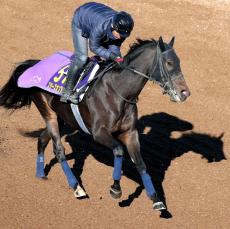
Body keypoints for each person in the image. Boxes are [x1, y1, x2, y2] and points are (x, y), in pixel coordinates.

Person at [60, 2, 134, 104]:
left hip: (94, 14)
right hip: (81, 20)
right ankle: (66, 91)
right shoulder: (100, 27)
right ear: (113, 26)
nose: (121, 37)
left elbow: (115, 46)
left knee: (114, 60)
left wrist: (117, 57)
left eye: (123, 35)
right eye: (119, 34)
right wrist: (111, 55)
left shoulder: (121, 31)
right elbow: (94, 47)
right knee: (82, 58)